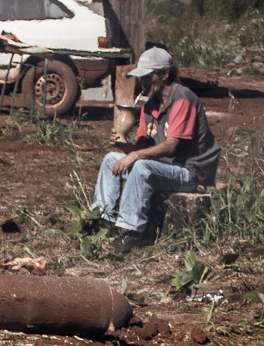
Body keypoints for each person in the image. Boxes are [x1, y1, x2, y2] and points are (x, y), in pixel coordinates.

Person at [91, 46, 221, 249]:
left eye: (147, 76)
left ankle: (135, 232)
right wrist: (124, 146)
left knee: (141, 166)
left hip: (190, 172)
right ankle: (104, 220)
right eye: (141, 78)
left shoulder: (182, 99)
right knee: (110, 160)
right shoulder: (149, 106)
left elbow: (171, 146)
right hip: (163, 167)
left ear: (164, 74)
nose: (142, 83)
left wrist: (134, 155)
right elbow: (143, 146)